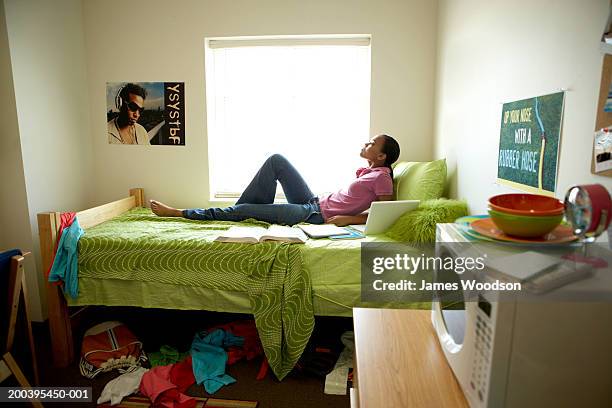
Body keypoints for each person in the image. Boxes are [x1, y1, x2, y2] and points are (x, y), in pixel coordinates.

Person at [150, 134, 400, 226]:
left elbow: (385, 213)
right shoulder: (369, 172)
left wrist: (350, 219)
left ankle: (180, 213)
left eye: (372, 143)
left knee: (244, 209)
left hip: (312, 215)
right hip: (312, 201)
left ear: (381, 155)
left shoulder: (382, 178)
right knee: (276, 160)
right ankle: (239, 212)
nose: (366, 143)